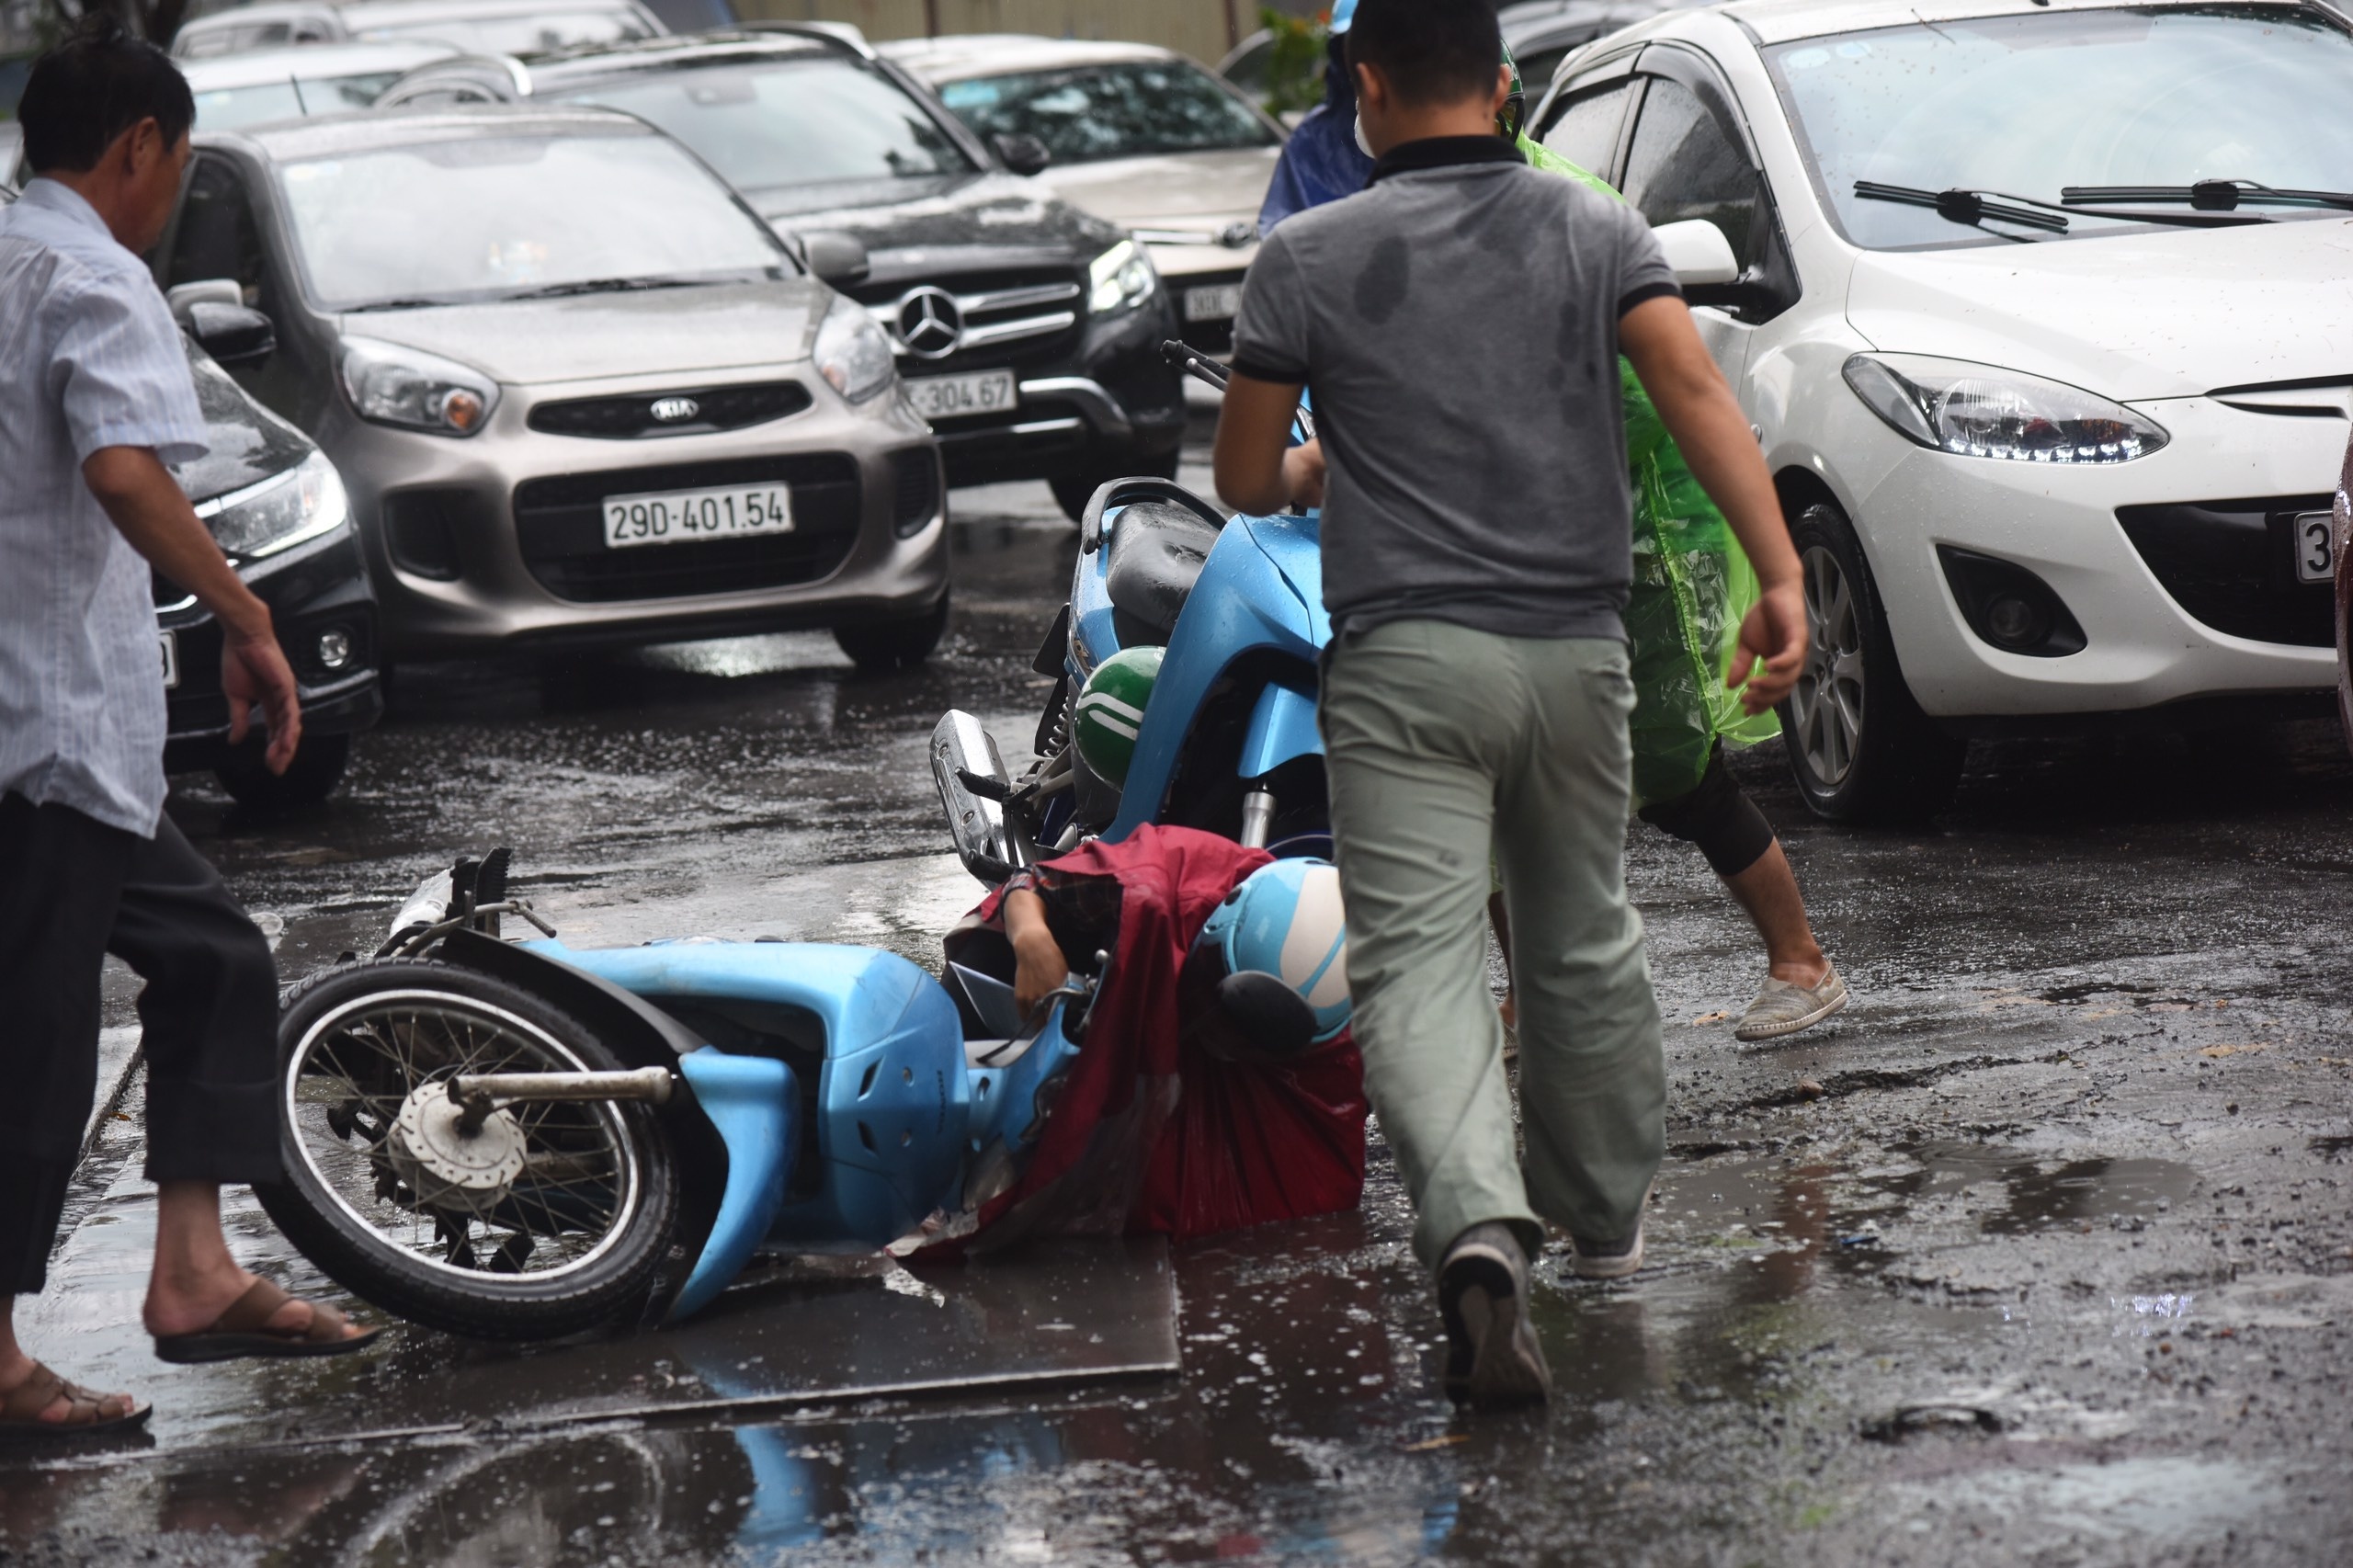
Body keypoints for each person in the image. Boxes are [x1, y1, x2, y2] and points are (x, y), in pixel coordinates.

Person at [1211, 0, 1807, 1408]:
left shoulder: (1305, 253)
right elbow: (1696, 388)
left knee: (1419, 963)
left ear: (1364, 89)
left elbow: (1241, 478)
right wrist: (1778, 573)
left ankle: (1478, 1225)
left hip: (1403, 663)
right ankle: (1603, 1226)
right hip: (1572, 653)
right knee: (1581, 933)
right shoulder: (1596, 229)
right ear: (1501, 84)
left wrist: (1310, 472)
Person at [1266, 32, 1847, 1046]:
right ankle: (1536, 999)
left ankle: (1799, 960)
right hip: (1483, 583)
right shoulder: (1381, 226)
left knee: (1676, 778)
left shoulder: (1573, 214)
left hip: (1614, 556)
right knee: (1490, 806)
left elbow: (1675, 397)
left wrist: (1775, 567)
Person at [0, 18, 378, 1443]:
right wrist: (247, 617)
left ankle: (196, 1271)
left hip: (58, 732)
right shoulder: (92, 272)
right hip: (43, 735)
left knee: (215, 958)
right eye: (177, 159)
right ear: (141, 146)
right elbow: (122, 467)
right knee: (32, 1039)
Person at [929, 825, 1368, 1251]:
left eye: (1248, 1040)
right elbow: (1030, 883)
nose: (1227, 1042)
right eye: (1224, 1016)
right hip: (1083, 1000)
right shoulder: (1162, 888)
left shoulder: (1349, 1051)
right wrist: (1031, 937)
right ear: (1217, 928)